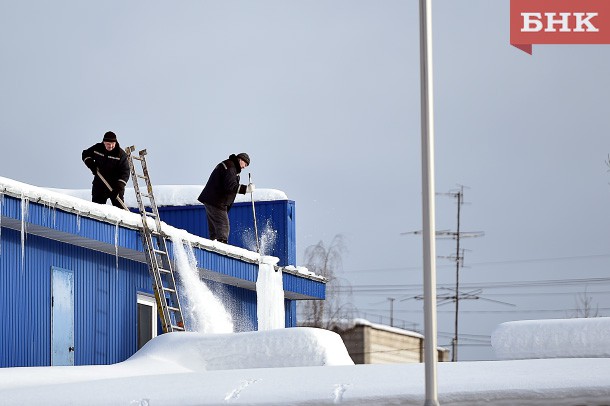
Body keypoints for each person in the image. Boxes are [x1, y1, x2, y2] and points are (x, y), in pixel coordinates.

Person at [197, 153, 255, 244]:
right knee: (223, 226)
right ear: (240, 159)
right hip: (216, 200)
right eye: (245, 164)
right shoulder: (230, 167)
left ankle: (214, 244)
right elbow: (230, 186)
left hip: (212, 199)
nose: (244, 167)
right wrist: (246, 189)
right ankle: (221, 246)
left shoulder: (230, 166)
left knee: (215, 227)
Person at [82, 131, 130, 209]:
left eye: (112, 144)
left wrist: (118, 187)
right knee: (96, 208)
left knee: (120, 209)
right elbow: (85, 154)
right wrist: (91, 165)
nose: (110, 146)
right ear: (104, 142)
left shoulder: (121, 154)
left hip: (115, 186)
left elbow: (125, 172)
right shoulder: (98, 148)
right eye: (108, 144)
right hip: (100, 182)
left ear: (115, 142)